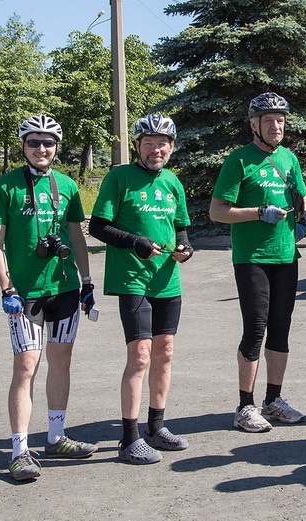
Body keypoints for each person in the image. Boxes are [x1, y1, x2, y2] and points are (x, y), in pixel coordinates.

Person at [0, 115, 97, 482]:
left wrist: (88, 281)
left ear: (57, 147)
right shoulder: (5, 186)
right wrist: (6, 287)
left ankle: (56, 436)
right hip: (26, 295)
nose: (41, 149)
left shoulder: (66, 185)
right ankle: (19, 450)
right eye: (34, 143)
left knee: (61, 361)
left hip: (63, 290)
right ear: (23, 146)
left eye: (48, 143)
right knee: (27, 367)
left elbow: (77, 237)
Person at [89, 114, 193, 465]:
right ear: (137, 146)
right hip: (132, 280)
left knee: (165, 354)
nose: (156, 149)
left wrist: (185, 249)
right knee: (141, 356)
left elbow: (180, 228)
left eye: (162, 143)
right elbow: (99, 226)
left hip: (167, 280)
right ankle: (129, 438)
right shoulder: (119, 177)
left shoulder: (173, 183)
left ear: (172, 147)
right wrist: (135, 242)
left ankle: (157, 427)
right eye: (148, 143)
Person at [210, 93, 306, 434]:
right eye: (268, 120)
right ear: (254, 124)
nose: (276, 125)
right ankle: (245, 406)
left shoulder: (288, 158)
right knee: (255, 330)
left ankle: (274, 400)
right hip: (252, 258)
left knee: (280, 329)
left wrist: (305, 218)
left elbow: (301, 191)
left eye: (280, 119)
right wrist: (257, 213)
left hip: (286, 255)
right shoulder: (239, 160)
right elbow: (218, 211)